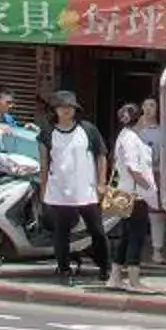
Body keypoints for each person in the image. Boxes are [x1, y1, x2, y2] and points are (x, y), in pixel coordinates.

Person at [39, 90, 110, 285]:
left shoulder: (88, 130)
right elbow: (44, 164)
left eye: (70, 107)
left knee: (97, 230)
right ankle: (64, 270)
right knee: (62, 233)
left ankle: (106, 267)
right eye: (62, 107)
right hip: (60, 190)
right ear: (55, 110)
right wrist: (43, 191)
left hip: (86, 189)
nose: (66, 111)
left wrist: (101, 182)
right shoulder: (47, 133)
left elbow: (101, 155)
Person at [108, 103, 157, 292]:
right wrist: (148, 186)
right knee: (136, 235)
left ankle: (115, 276)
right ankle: (134, 280)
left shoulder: (126, 136)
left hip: (124, 191)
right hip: (134, 194)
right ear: (141, 119)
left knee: (127, 235)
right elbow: (132, 167)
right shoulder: (130, 139)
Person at [137, 98, 166, 262]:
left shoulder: (162, 131)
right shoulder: (135, 130)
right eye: (146, 105)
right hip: (136, 176)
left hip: (156, 174)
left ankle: (157, 250)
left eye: (152, 105)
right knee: (136, 214)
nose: (148, 109)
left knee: (156, 215)